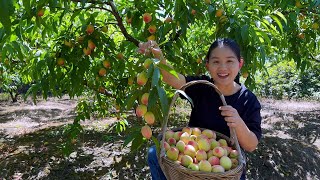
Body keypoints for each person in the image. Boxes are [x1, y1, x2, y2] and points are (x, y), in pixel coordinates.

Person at [139, 38, 262, 180]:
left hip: (226, 170)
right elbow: (173, 79)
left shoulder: (247, 99)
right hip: (193, 159)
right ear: (207, 65)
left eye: (229, 61)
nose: (223, 67)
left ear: (240, 64)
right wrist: (158, 56)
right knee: (155, 153)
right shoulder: (202, 87)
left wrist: (238, 122)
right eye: (216, 61)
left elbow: (252, 145)